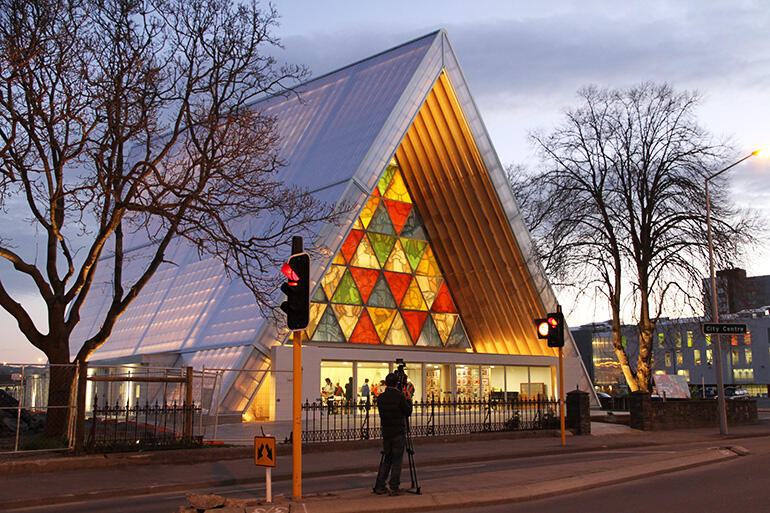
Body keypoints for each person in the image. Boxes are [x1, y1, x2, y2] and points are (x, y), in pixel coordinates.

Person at [373, 373, 412, 495]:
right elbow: (408, 411)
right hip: (398, 431)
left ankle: (380, 485)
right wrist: (409, 399)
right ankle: (394, 486)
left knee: (387, 459)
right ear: (397, 383)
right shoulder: (399, 396)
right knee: (397, 461)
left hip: (386, 431)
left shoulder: (381, 397)